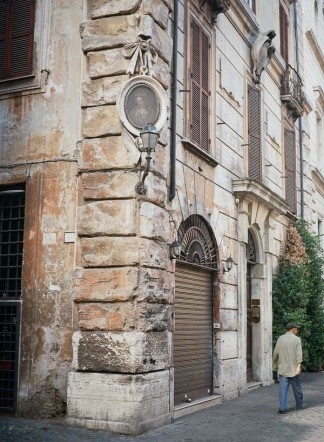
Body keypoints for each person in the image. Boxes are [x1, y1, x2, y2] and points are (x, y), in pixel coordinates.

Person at [272, 322, 307, 414]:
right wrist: (298, 366)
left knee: (283, 390)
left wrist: (274, 366)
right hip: (293, 370)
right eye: (296, 328)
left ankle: (282, 408)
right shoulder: (297, 339)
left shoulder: (280, 338)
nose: (297, 330)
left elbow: (275, 354)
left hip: (283, 369)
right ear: (293, 329)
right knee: (297, 389)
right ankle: (299, 405)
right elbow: (299, 355)